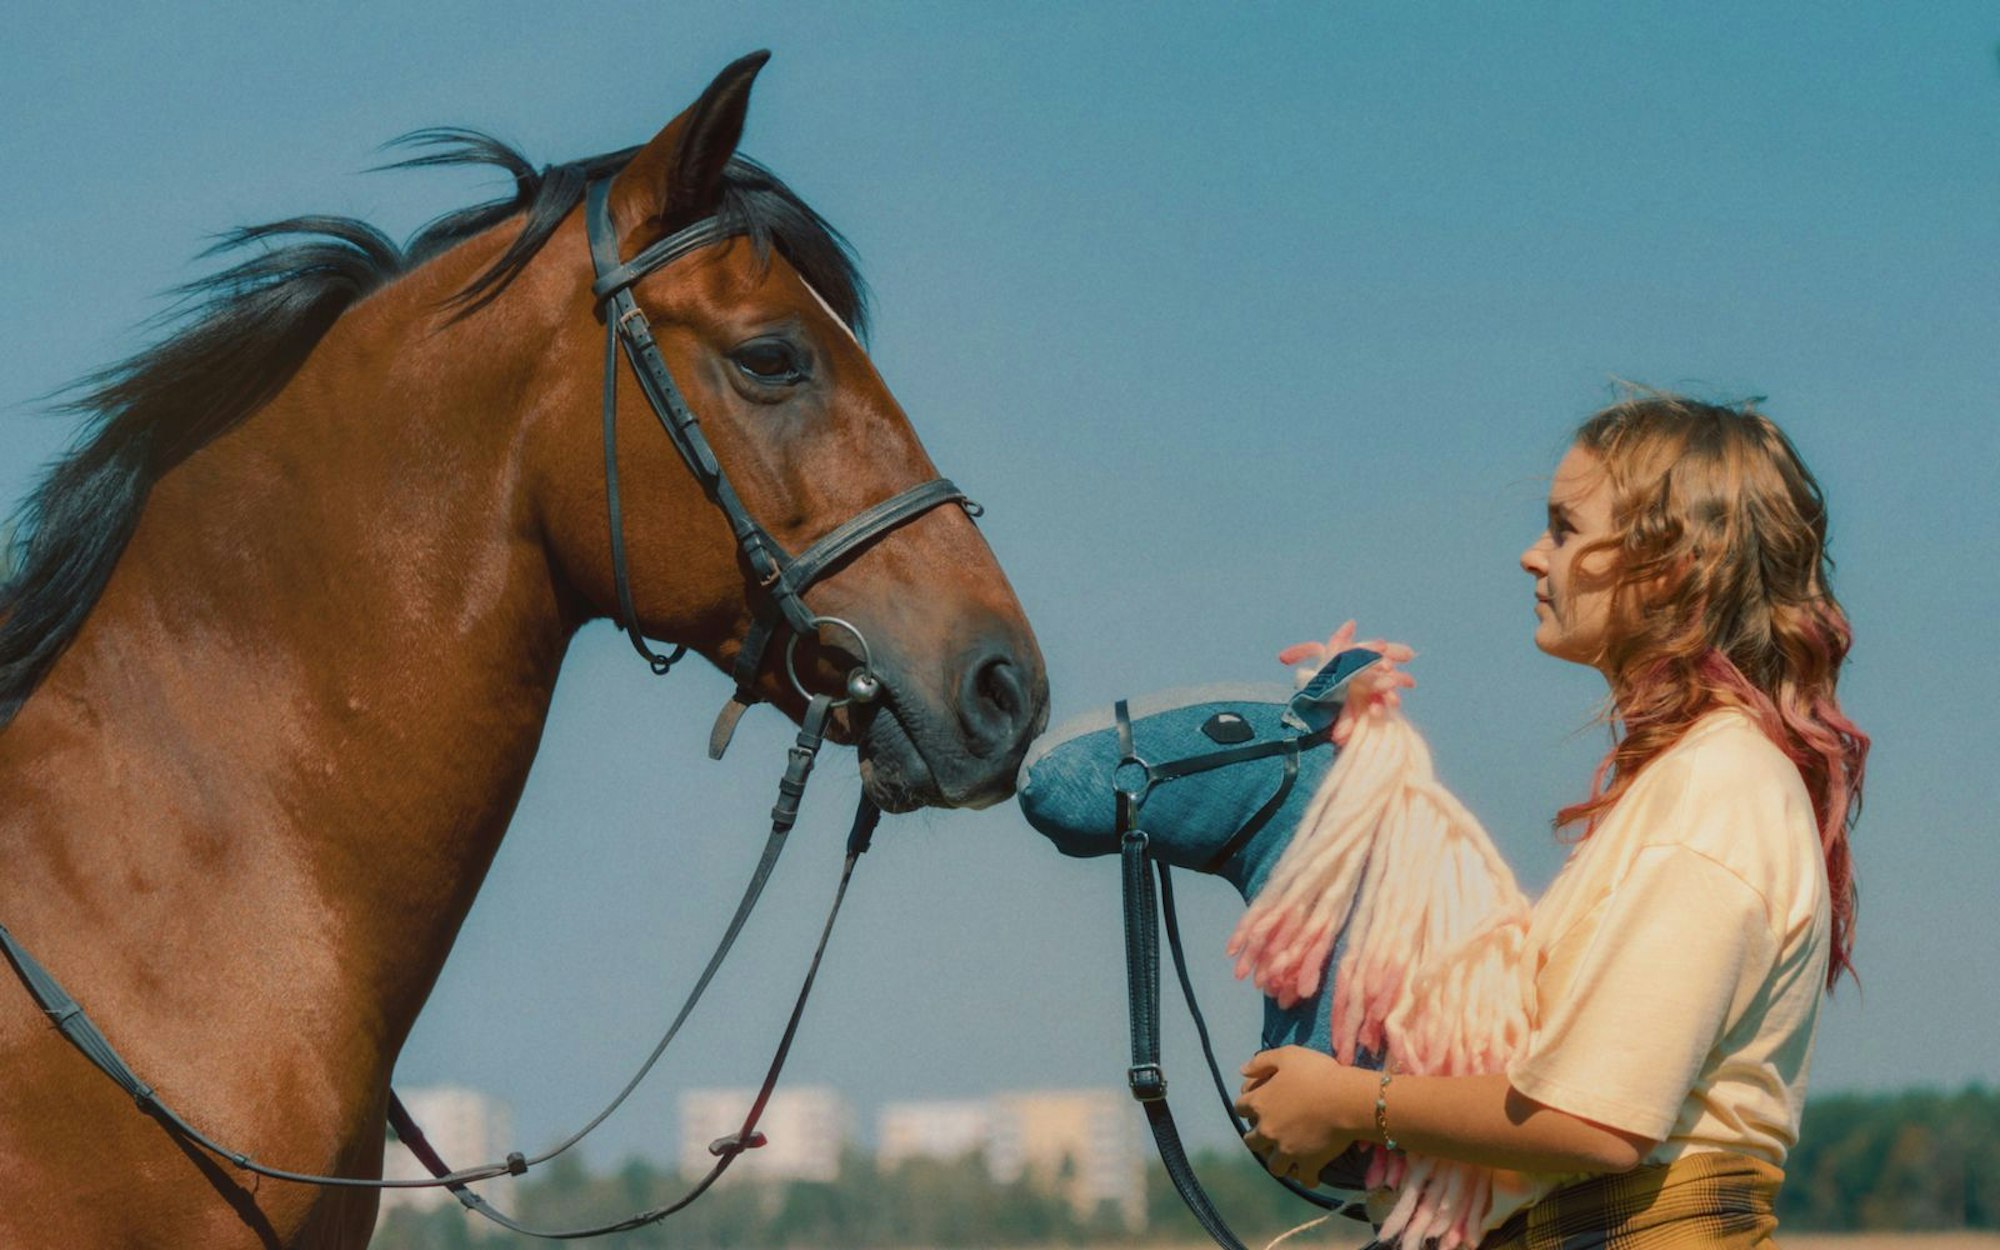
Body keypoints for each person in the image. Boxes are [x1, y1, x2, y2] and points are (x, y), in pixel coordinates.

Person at [1233, 393, 1868, 1247]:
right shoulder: (1697, 778)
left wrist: (1349, 1103)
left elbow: (1596, 1119)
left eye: (1565, 529)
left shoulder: (1719, 783)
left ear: (1672, 563)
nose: (1534, 557)